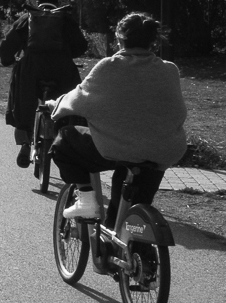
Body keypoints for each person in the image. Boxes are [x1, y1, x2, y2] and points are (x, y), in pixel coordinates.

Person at [48, 11, 188, 220]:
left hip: (119, 148)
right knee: (125, 219)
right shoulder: (169, 70)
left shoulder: (109, 66)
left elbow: (78, 100)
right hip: (162, 151)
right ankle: (130, 234)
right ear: (153, 41)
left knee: (64, 140)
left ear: (119, 39)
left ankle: (85, 200)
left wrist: (55, 105)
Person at [0, 0, 89, 167]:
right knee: (69, 103)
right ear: (57, 1)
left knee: (22, 103)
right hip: (62, 70)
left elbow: (6, 46)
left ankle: (25, 143)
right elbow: (81, 45)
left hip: (31, 70)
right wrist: (66, 55)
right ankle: (66, 139)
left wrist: (9, 61)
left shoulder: (27, 19)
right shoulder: (65, 19)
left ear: (38, 1)